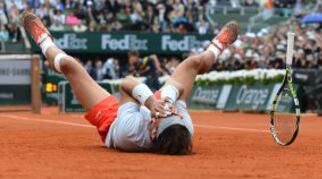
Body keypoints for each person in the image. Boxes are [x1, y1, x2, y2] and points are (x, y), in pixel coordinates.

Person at [22, 10, 240, 155]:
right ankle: (217, 46)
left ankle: (44, 41)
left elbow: (127, 85)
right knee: (193, 63)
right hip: (151, 109)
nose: (169, 111)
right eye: (173, 112)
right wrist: (167, 99)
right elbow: (179, 89)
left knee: (70, 66)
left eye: (165, 114)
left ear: (153, 132)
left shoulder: (130, 133)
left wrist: (149, 102)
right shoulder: (184, 126)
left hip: (113, 119)